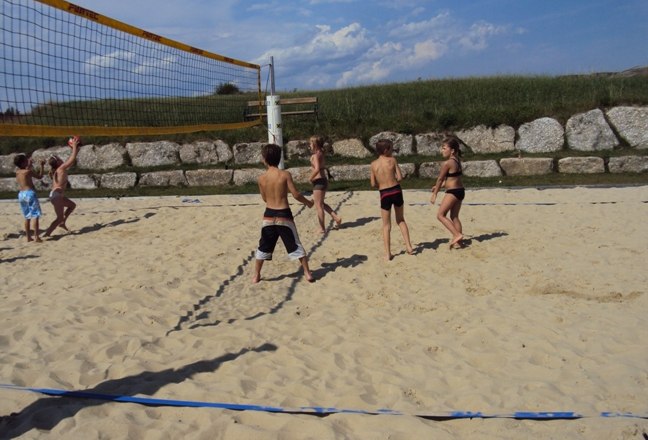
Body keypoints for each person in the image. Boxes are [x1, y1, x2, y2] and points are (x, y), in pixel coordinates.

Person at [253, 143, 315, 284]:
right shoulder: (285, 174)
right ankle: (307, 272)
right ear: (279, 158)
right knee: (295, 244)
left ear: (264, 159)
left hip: (268, 214)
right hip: (284, 214)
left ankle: (256, 275)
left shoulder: (261, 178)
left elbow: (264, 198)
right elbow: (296, 194)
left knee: (263, 245)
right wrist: (308, 203)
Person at [370, 139, 414, 261]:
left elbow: (373, 183)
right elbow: (399, 178)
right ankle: (409, 246)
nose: (392, 151)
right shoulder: (393, 160)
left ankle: (388, 253)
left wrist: (381, 185)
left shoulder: (373, 164)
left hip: (384, 193)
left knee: (386, 225)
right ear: (386, 150)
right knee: (400, 220)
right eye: (391, 148)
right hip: (396, 190)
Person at [430, 136, 465, 249]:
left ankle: (456, 235)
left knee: (440, 215)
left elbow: (440, 179)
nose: (442, 150)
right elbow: (451, 179)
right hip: (460, 190)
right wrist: (438, 187)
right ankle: (459, 242)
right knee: (454, 216)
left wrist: (435, 193)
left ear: (452, 151)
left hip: (453, 192)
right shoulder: (457, 161)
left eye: (444, 148)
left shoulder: (447, 163)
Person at [44, 136, 80, 237]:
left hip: (55, 195)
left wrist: (76, 149)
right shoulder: (61, 168)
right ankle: (47, 234)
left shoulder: (57, 169)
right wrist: (73, 147)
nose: (62, 159)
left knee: (72, 205)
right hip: (56, 195)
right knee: (58, 218)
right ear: (58, 162)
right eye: (60, 159)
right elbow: (72, 159)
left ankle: (62, 223)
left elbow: (72, 157)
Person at [309, 135, 342, 233]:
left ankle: (322, 228)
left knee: (318, 205)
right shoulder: (321, 153)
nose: (309, 145)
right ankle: (336, 217)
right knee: (321, 203)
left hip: (319, 181)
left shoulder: (316, 155)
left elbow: (317, 168)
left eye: (310, 143)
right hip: (323, 180)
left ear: (315, 144)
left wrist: (310, 178)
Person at [14, 153, 45, 242]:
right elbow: (40, 176)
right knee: (35, 215)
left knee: (27, 216)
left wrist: (29, 164)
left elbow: (25, 172)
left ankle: (28, 237)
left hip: (21, 194)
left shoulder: (17, 172)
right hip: (29, 193)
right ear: (23, 162)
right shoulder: (28, 172)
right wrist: (42, 166)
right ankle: (36, 237)